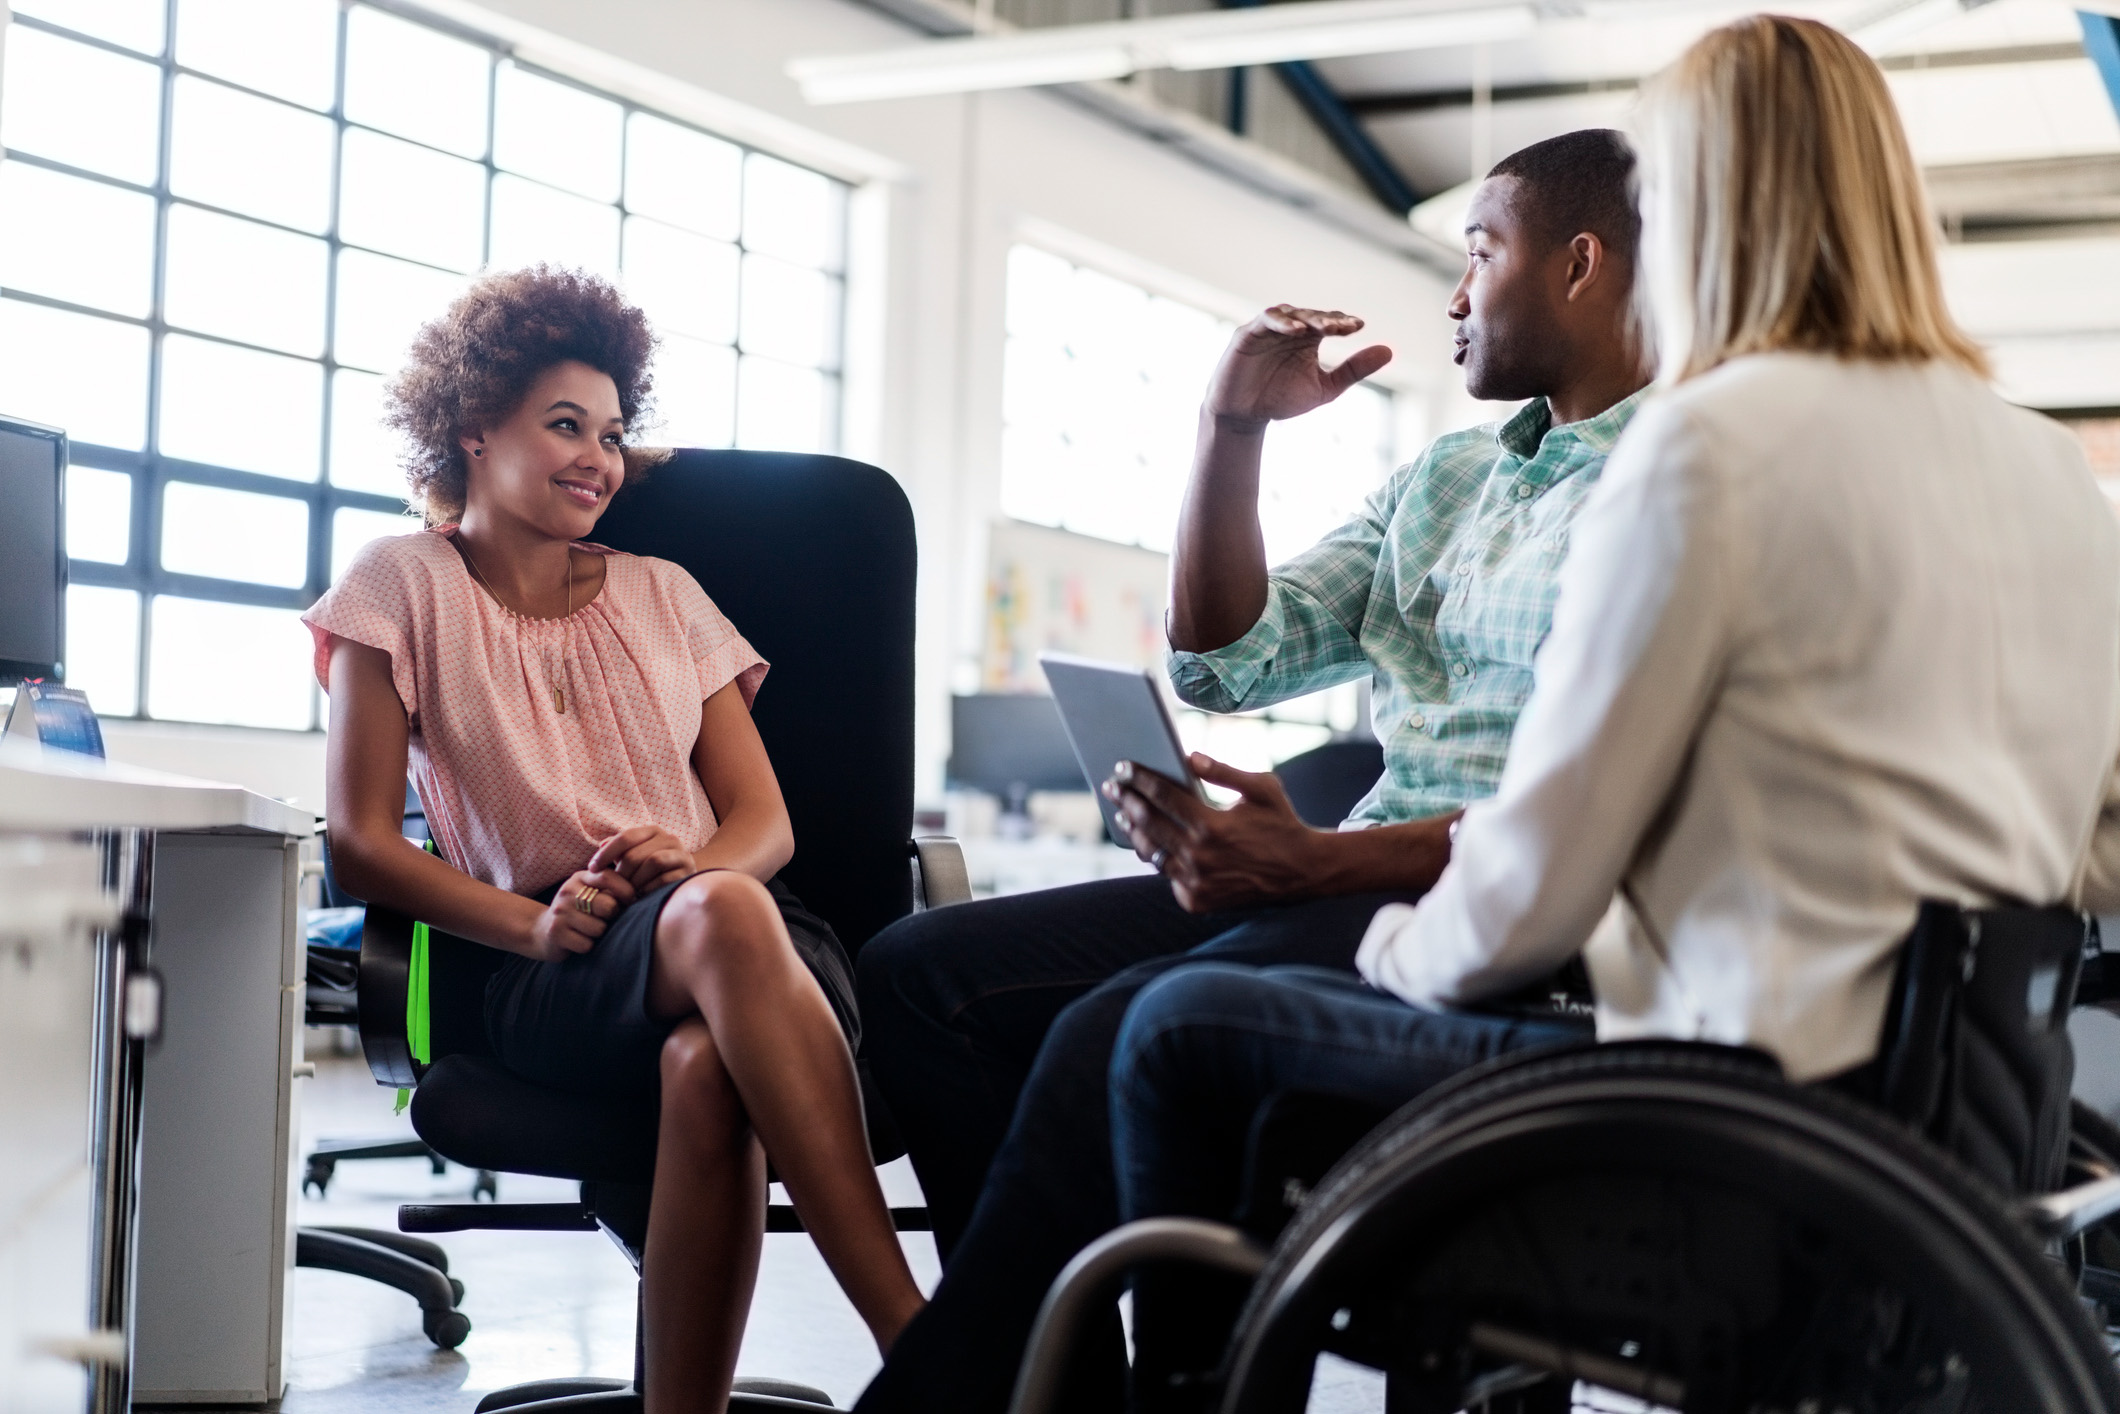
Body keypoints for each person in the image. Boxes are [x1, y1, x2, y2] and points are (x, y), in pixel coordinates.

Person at [1104, 14, 2120, 1408]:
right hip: (1964, 1142)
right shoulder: (2057, 473)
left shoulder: (1714, 441)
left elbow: (1533, 885)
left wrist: (1374, 950)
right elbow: (2102, 844)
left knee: (1187, 1027)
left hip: (1725, 1145)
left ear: (1693, 211)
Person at [855, 128, 1651, 1413]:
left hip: (1491, 911)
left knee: (1134, 1031)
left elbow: (1599, 814)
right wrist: (1230, 430)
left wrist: (1311, 858)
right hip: (1352, 878)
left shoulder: (1671, 483)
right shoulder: (1450, 476)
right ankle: (1065, 1386)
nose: (1452, 298)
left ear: (1576, 264)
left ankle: (965, 1395)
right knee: (920, 975)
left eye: (1476, 254)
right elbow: (1226, 660)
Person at [307, 267, 924, 1414]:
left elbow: (763, 827)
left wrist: (687, 868)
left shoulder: (665, 591)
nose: (598, 456)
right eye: (563, 425)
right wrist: (536, 927)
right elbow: (359, 846)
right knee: (716, 938)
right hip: (557, 969)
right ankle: (922, 1344)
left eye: (611, 430)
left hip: (750, 938)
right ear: (473, 429)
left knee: (707, 1052)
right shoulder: (397, 586)